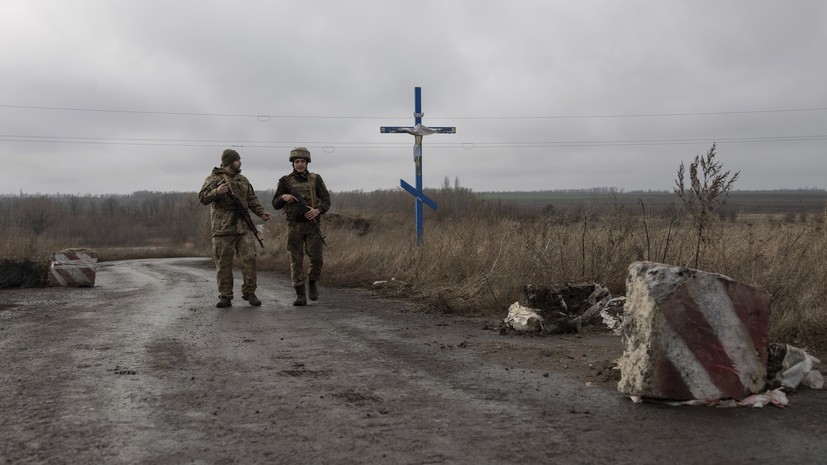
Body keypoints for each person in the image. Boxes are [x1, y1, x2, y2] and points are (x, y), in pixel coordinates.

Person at [199, 148, 271, 308]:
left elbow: (251, 199)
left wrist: (261, 213)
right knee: (224, 264)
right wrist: (216, 192)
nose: (240, 163)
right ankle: (225, 296)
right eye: (238, 160)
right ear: (230, 162)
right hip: (223, 229)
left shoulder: (243, 180)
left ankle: (249, 292)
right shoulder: (213, 178)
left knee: (249, 259)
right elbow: (203, 198)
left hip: (244, 228)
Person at [272, 147, 331, 306]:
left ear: (307, 163)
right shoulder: (285, 181)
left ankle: (312, 283)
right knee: (296, 260)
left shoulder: (316, 179)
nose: (299, 164)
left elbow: (326, 200)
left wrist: (317, 211)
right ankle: (300, 294)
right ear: (293, 163)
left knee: (317, 258)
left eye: (302, 162)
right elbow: (275, 203)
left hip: (312, 225)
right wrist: (283, 197)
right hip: (294, 226)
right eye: (297, 162)